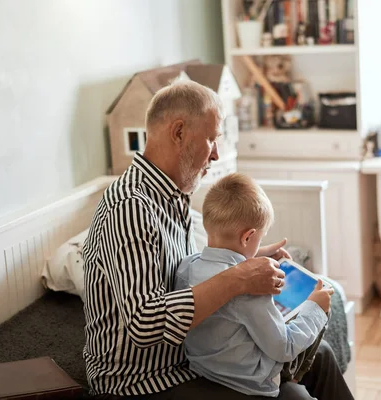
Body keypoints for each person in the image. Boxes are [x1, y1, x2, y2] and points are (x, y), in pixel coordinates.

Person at [82, 79, 352, 399]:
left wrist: (246, 258)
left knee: (319, 356)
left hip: (191, 356)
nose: (216, 154)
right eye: (212, 139)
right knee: (296, 397)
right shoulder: (130, 208)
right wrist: (238, 276)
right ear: (179, 132)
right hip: (142, 379)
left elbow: (185, 272)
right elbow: (145, 323)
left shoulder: (171, 195)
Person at [174, 173, 343, 398]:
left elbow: (222, 259)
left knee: (320, 349)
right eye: (259, 240)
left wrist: (259, 252)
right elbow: (284, 347)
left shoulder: (187, 267)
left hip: (206, 369)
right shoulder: (249, 290)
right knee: (318, 312)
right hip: (250, 381)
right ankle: (294, 373)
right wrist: (315, 308)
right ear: (248, 237)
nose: (260, 244)